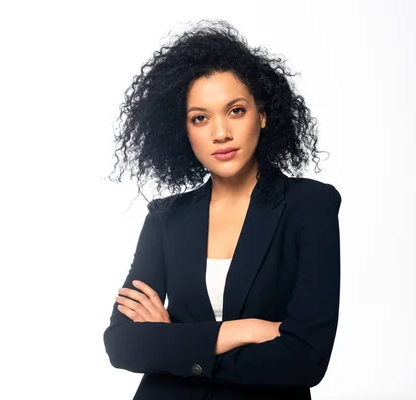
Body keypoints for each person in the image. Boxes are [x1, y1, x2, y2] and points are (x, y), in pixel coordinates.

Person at [103, 19, 342, 400]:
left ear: (262, 114)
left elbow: (306, 359)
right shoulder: (166, 217)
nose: (220, 133)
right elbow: (121, 344)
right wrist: (243, 331)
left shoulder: (310, 206)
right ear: (183, 130)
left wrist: (173, 343)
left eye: (235, 111)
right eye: (200, 117)